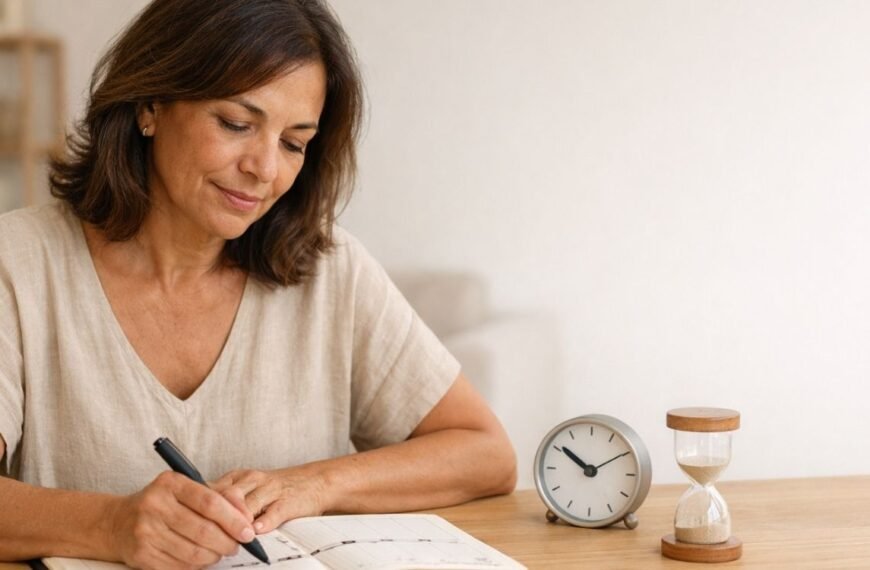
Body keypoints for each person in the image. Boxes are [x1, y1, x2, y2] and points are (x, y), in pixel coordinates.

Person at [0, 0, 516, 567]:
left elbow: (486, 453)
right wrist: (110, 525)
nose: (265, 169)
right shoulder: (17, 264)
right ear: (150, 105)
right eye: (236, 124)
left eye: (294, 143)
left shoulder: (329, 268)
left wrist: (314, 484)